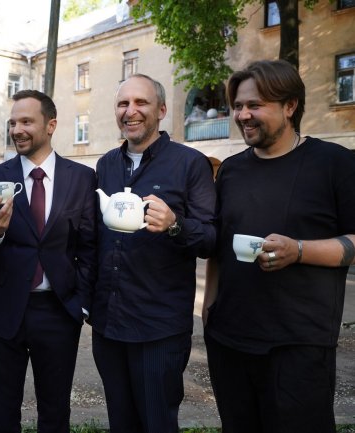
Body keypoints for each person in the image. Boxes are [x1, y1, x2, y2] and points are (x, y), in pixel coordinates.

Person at [202, 59, 355, 433]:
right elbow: (221, 245)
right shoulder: (231, 170)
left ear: (290, 106)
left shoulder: (334, 163)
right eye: (238, 106)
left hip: (299, 345)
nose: (243, 115)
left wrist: (299, 250)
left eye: (255, 105)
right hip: (229, 339)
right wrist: (209, 309)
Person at [91, 74, 216, 432]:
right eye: (123, 103)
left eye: (140, 102)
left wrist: (176, 224)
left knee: (157, 423)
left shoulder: (190, 163)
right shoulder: (106, 165)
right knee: (121, 423)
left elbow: (210, 239)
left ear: (161, 110)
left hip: (158, 328)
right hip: (108, 323)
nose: (130, 111)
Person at [0, 90, 97, 433]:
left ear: (50, 125)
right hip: (2, 311)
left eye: (26, 121)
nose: (17, 130)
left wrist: (82, 303)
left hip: (59, 310)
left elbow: (89, 247)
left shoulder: (81, 178)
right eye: (13, 123)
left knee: (55, 413)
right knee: (2, 413)